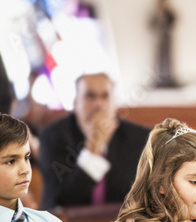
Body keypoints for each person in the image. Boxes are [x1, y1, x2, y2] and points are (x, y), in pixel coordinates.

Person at [38, 72, 150, 210]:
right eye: (90, 96)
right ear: (75, 103)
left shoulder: (140, 138)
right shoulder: (52, 137)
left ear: (114, 103)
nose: (98, 104)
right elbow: (60, 201)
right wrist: (93, 148)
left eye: (105, 96)